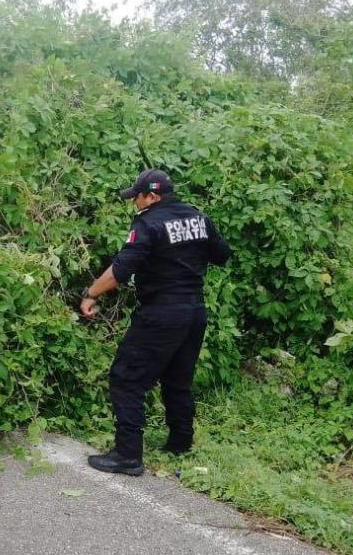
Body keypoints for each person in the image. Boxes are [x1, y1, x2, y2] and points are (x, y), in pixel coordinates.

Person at [79, 168, 231, 476]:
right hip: (194, 312)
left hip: (162, 312)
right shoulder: (199, 218)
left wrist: (90, 293)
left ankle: (127, 455)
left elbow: (121, 270)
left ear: (152, 196)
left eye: (136, 197)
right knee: (178, 380)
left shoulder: (148, 223)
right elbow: (222, 255)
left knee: (126, 378)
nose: (134, 203)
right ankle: (180, 442)